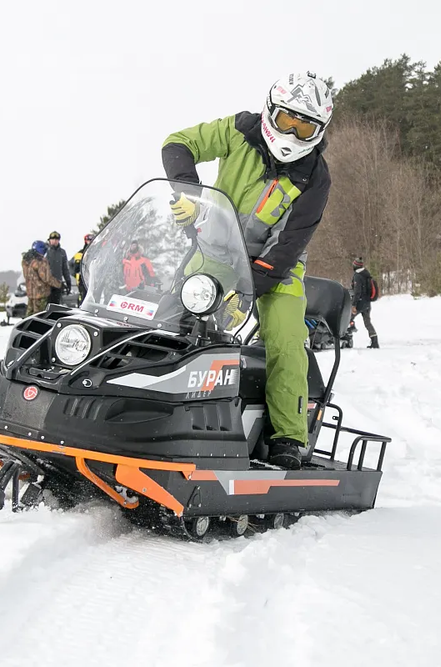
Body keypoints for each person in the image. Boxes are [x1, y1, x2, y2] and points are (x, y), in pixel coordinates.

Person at [162, 72, 333, 470]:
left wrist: (243, 290)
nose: (292, 131)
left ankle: (288, 436)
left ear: (318, 129)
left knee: (287, 342)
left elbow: (289, 246)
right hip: (216, 252)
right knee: (171, 318)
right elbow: (178, 144)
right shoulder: (241, 129)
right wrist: (190, 193)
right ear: (270, 111)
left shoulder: (316, 178)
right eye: (287, 119)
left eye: (304, 124)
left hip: (277, 271)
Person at [22, 240, 61, 316]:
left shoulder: (26, 261)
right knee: (39, 316)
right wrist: (58, 284)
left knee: (29, 315)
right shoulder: (40, 261)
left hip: (31, 293)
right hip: (41, 293)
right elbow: (46, 278)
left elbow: (27, 276)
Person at [350, 257, 379, 348]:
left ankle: (346, 335)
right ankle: (375, 341)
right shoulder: (366, 274)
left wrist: (354, 305)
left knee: (348, 318)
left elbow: (357, 291)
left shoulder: (357, 276)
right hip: (367, 303)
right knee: (367, 322)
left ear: (355, 265)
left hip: (360, 303)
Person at [45, 231, 71, 305]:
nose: (54, 241)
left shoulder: (62, 252)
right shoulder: (46, 251)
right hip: (47, 284)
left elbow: (65, 268)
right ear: (49, 240)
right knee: (46, 305)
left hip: (57, 283)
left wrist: (68, 281)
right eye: (53, 239)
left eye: (56, 239)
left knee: (56, 305)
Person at [71, 233, 95, 300]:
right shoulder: (80, 253)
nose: (90, 242)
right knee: (83, 297)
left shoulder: (96, 252)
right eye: (88, 240)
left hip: (93, 280)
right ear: (85, 241)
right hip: (83, 279)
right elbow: (76, 268)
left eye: (91, 240)